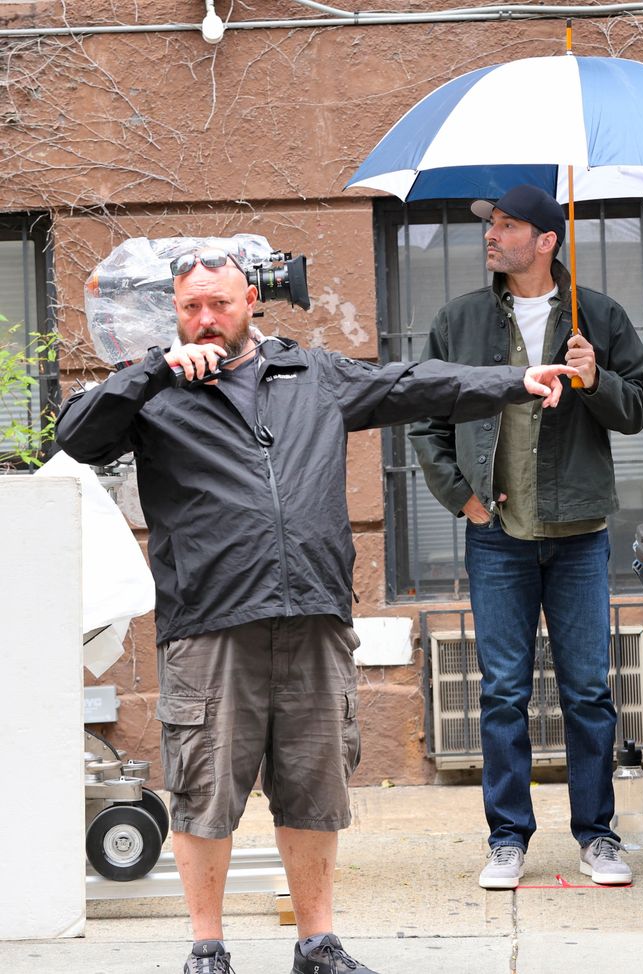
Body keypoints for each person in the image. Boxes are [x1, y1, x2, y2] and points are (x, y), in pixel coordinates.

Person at [55, 245, 577, 974]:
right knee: (204, 789)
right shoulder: (155, 391)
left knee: (314, 786)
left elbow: (414, 384)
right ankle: (207, 948)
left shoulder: (313, 374)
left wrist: (516, 381)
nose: (206, 319)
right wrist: (152, 370)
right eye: (190, 308)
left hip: (314, 616)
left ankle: (317, 943)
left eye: (220, 304)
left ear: (250, 303)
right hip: (210, 624)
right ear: (175, 313)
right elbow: (75, 437)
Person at [409, 185, 643, 891]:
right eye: (492, 224)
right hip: (498, 539)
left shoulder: (597, 317)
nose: (493, 235)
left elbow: (639, 408)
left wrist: (594, 377)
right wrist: (462, 499)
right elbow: (425, 415)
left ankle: (598, 837)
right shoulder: (459, 322)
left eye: (508, 225)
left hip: (578, 534)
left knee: (587, 692)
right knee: (504, 694)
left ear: (547, 239)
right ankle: (507, 840)